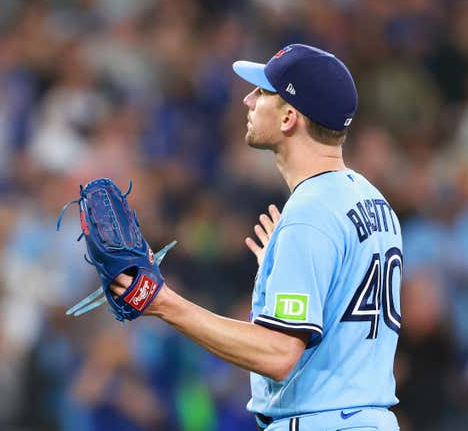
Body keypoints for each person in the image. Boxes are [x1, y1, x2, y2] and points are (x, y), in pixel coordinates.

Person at [111, 44, 403, 430]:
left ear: (288, 118)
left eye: (264, 92)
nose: (249, 99)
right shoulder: (370, 199)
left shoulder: (311, 212)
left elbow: (279, 355)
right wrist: (282, 270)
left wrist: (165, 303)